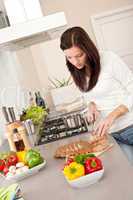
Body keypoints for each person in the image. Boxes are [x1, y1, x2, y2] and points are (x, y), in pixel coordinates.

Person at [60, 26, 133, 163]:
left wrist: (113, 115)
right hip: (111, 135)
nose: (75, 62)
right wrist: (91, 105)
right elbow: (89, 95)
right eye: (69, 57)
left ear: (88, 49)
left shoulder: (109, 59)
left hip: (130, 125)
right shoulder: (76, 70)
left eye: (79, 55)